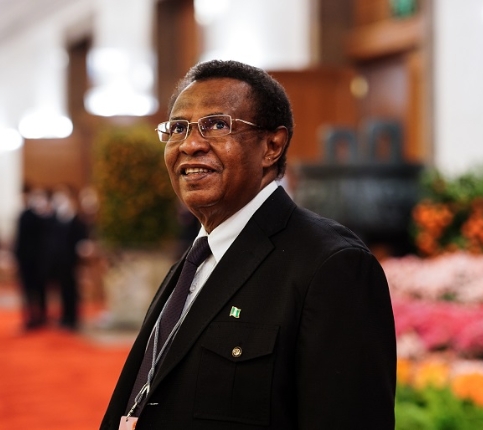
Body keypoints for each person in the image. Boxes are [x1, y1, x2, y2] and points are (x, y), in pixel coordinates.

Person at [100, 60, 396, 429]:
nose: (190, 144)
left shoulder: (331, 265)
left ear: (272, 146)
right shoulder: (195, 260)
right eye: (178, 128)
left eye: (216, 125)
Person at [41, 184, 88, 331]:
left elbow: (81, 239)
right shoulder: (56, 218)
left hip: (71, 260)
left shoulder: (78, 219)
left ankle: (73, 318)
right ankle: (64, 316)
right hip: (58, 260)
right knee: (62, 289)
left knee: (71, 289)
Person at [14, 186, 50, 329]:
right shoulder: (24, 215)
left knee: (38, 289)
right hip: (27, 260)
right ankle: (31, 316)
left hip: (37, 260)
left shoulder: (38, 216)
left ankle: (40, 316)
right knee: (29, 290)